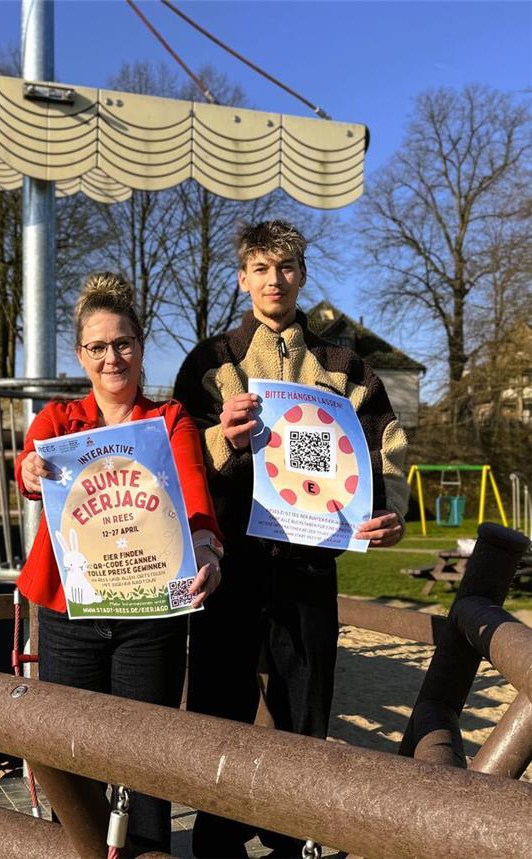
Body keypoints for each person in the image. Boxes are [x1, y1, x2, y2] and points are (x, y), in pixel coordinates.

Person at [173, 220, 408, 857]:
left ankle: (293, 834)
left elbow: (384, 445)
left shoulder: (345, 365)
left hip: (310, 560)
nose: (274, 280)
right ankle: (217, 835)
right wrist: (223, 436)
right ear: (243, 276)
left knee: (305, 701)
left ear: (302, 276)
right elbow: (179, 450)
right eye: (261, 268)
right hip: (230, 559)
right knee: (221, 696)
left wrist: (392, 513)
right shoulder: (210, 361)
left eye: (286, 268)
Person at [16, 271, 224, 855]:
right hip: (68, 608)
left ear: (140, 346)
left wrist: (206, 547)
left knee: (147, 756)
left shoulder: (171, 420)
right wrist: (29, 471)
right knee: (69, 751)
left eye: (124, 344)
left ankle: (150, 850)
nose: (113, 358)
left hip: (150, 607)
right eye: (98, 347)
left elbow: (192, 490)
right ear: (82, 355)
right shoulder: (59, 420)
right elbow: (30, 468)